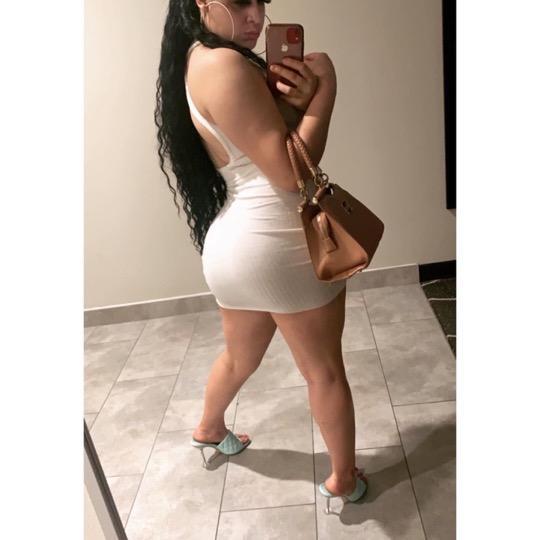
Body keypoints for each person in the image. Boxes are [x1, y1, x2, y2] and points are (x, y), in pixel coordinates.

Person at [154, 0, 367, 506]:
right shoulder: (226, 64)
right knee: (323, 371)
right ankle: (343, 479)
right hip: (277, 242)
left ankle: (209, 428)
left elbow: (267, 145)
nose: (255, 16)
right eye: (239, 1)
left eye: (261, 1)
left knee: (238, 357)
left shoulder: (196, 58)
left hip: (234, 246)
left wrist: (297, 103)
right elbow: (291, 174)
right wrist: (325, 94)